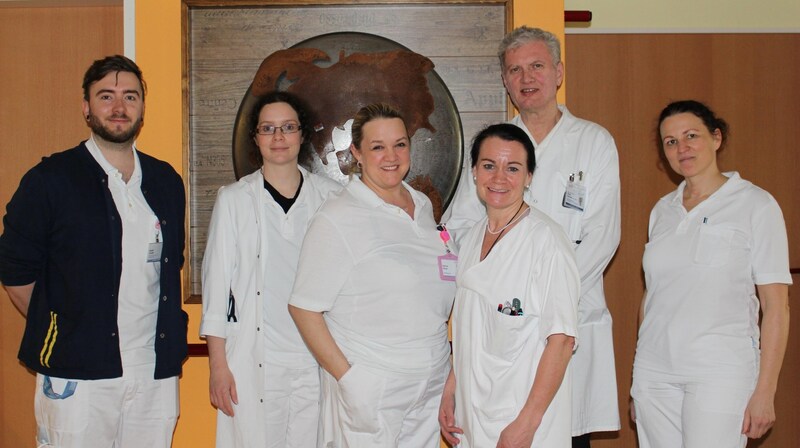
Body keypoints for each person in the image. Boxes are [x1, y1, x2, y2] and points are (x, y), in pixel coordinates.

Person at [445, 26, 621, 446]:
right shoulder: (495, 146)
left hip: (566, 315)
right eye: (515, 70)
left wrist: (541, 295)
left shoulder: (593, 142)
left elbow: (602, 235)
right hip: (495, 327)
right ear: (505, 81)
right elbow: (461, 229)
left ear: (558, 72)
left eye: (537, 66)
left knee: (560, 430)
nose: (526, 78)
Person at [0, 55, 187, 448]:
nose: (119, 108)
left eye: (130, 97)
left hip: (154, 370)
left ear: (142, 108)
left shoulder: (165, 180)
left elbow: (171, 266)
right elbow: (16, 274)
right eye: (106, 96)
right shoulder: (50, 180)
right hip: (76, 372)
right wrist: (66, 328)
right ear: (86, 107)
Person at [288, 103, 456, 448]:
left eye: (399, 144)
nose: (391, 156)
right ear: (356, 154)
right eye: (377, 147)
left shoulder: (422, 205)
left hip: (430, 381)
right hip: (373, 385)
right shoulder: (337, 217)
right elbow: (303, 308)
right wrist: (350, 379)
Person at [631, 100, 792, 448]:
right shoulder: (662, 211)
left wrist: (765, 390)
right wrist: (639, 380)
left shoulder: (756, 205)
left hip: (720, 372)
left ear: (716, 138)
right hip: (655, 373)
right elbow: (652, 296)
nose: (681, 148)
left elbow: (776, 307)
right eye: (670, 141)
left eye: (692, 136)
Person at [200, 91, 341, 447]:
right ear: (256, 137)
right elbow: (216, 287)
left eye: (288, 127)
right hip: (253, 358)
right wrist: (218, 366)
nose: (278, 138)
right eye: (268, 128)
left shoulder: (331, 198)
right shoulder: (234, 199)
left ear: (302, 134)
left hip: (316, 359)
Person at [439, 124, 579, 447]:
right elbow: (468, 326)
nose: (499, 178)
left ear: (529, 176)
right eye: (489, 166)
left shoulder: (548, 243)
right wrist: (451, 388)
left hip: (523, 424)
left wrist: (527, 424)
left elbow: (561, 341)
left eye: (512, 168)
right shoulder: (473, 237)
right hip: (474, 417)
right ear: (474, 172)